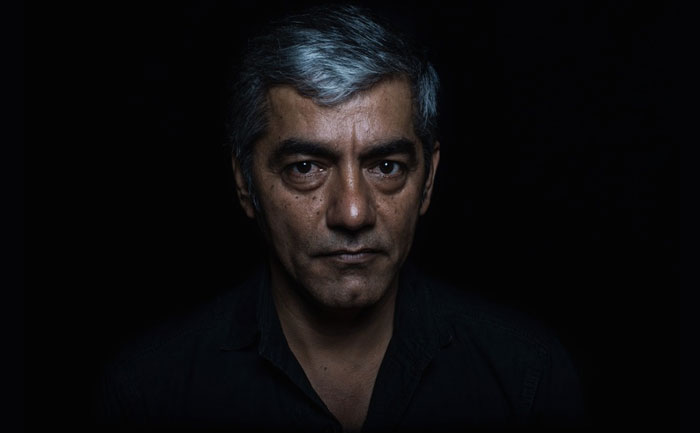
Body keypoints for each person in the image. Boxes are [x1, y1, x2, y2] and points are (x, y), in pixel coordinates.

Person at [98, 4, 584, 432]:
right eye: (305, 168)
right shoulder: (150, 396)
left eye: (386, 167)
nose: (352, 213)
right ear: (245, 183)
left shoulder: (527, 379)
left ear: (428, 180)